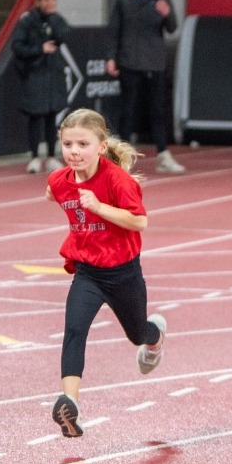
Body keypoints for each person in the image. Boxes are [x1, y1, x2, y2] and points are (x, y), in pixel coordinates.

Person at [45, 108, 166, 436]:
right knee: (74, 330)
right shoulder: (59, 181)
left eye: (83, 144)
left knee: (137, 334)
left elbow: (140, 221)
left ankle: (155, 338)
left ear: (101, 146)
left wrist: (99, 208)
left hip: (124, 273)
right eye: (68, 144)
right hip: (87, 273)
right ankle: (69, 402)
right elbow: (53, 192)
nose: (74, 151)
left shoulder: (117, 180)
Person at [105, 0, 185, 175]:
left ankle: (163, 155)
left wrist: (167, 13)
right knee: (128, 110)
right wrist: (111, 57)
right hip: (130, 61)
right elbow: (114, 31)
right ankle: (120, 157)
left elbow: (172, 28)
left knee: (157, 110)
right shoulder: (123, 0)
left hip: (155, 62)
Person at [11, 0, 73, 175]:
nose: (50, 3)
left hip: (53, 75)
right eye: (46, 0)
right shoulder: (27, 21)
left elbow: (64, 35)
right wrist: (39, 49)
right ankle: (35, 157)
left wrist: (53, 21)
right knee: (35, 116)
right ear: (38, 1)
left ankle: (52, 157)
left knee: (51, 116)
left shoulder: (56, 20)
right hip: (35, 74)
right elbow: (17, 46)